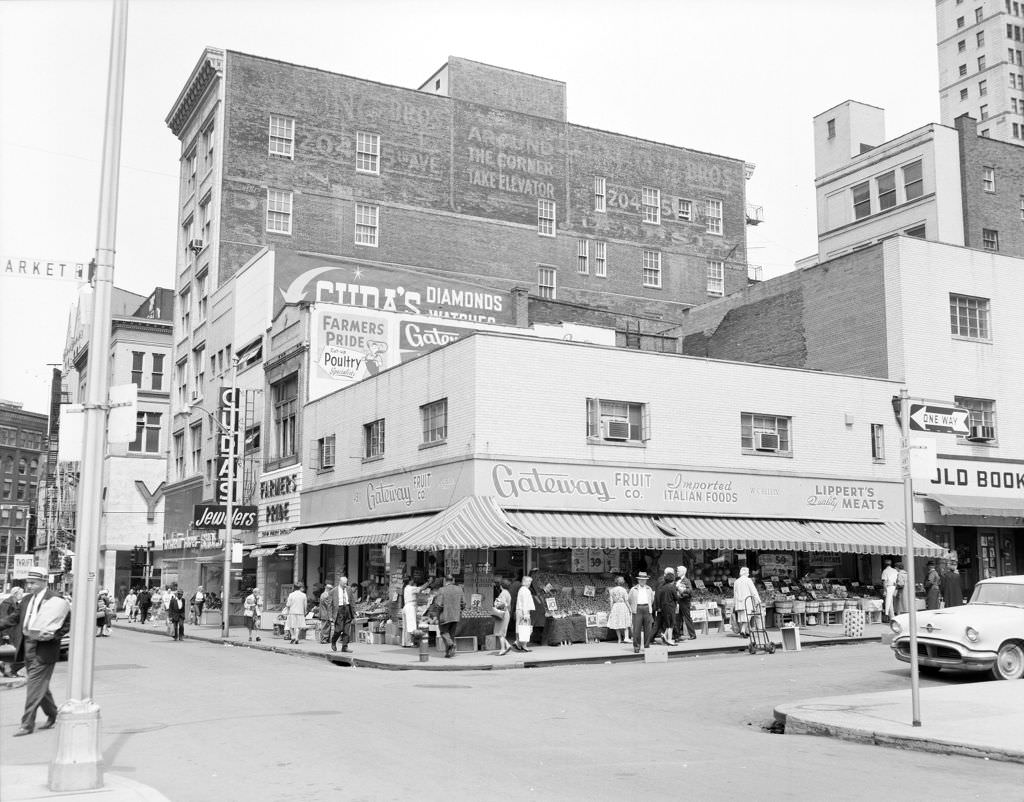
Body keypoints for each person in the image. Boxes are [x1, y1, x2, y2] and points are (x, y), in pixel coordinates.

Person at [5, 568, 71, 736]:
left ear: (43, 581)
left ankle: (27, 724)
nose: (30, 586)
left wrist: (54, 635)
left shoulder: (56, 600)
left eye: (33, 583)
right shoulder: (26, 600)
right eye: (28, 582)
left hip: (45, 650)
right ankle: (53, 715)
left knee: (34, 686)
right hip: (27, 648)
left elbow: (66, 623)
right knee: (40, 687)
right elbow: (13, 618)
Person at [434, 574, 466, 658]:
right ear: (453, 580)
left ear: (445, 581)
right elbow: (463, 603)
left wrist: (437, 614)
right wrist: (459, 610)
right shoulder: (459, 589)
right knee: (451, 635)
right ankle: (449, 653)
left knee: (444, 633)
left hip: (445, 615)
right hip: (455, 616)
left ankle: (451, 644)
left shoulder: (442, 590)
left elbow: (439, 605)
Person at [627, 572, 655, 653]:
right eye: (641, 580)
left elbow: (652, 600)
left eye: (644, 580)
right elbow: (629, 599)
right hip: (637, 608)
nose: (643, 581)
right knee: (636, 629)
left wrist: (648, 606)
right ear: (638, 580)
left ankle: (647, 646)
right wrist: (633, 607)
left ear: (646, 581)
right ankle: (636, 647)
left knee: (648, 629)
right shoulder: (633, 589)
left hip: (647, 608)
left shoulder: (649, 589)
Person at [0, 586, 25, 677]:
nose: (22, 595)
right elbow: (3, 618)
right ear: (15, 594)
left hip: (13, 633)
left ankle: (8, 670)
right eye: (21, 593)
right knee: (11, 653)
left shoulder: (15, 604)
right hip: (7, 633)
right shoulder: (6, 603)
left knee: (12, 654)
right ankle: (9, 670)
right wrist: (5, 634)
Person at [327, 578, 354, 653]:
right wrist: (330, 616)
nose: (345, 585)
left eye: (346, 583)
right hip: (339, 610)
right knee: (338, 630)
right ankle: (333, 641)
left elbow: (352, 601)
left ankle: (344, 647)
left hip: (348, 609)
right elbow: (329, 605)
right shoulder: (333, 591)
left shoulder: (349, 589)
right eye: (344, 584)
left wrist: (354, 613)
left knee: (346, 630)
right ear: (340, 582)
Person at [402, 577, 429, 647]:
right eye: (412, 580)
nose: (413, 581)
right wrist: (429, 582)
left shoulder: (406, 588)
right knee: (411, 626)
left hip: (406, 607)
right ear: (410, 581)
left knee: (405, 627)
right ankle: (410, 643)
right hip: (410, 607)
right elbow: (422, 588)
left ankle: (405, 643)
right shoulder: (411, 588)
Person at [654, 568, 678, 645]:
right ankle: (670, 639)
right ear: (672, 580)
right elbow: (676, 597)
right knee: (671, 624)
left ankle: (664, 635)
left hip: (664, 607)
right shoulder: (672, 587)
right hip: (670, 607)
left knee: (668, 623)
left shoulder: (663, 588)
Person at [732, 567, 759, 637]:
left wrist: (734, 603)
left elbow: (734, 593)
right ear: (746, 573)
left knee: (742, 617)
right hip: (747, 602)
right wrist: (757, 600)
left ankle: (747, 631)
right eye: (748, 572)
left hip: (739, 602)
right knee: (747, 616)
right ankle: (743, 630)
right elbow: (753, 591)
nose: (748, 573)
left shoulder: (736, 581)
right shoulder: (748, 580)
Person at [606, 577, 631, 644]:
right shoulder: (623, 590)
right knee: (625, 622)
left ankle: (619, 639)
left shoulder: (612, 590)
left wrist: (611, 609)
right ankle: (626, 637)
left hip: (615, 606)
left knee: (616, 623)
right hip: (622, 606)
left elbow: (611, 601)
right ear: (622, 583)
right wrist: (630, 608)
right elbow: (626, 600)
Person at [675, 565, 697, 640]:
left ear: (682, 572)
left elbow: (690, 591)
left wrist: (681, 590)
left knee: (687, 618)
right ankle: (677, 635)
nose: (677, 572)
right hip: (680, 602)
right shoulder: (678, 580)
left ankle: (692, 635)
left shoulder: (686, 580)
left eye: (678, 571)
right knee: (678, 618)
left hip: (684, 602)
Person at [514, 575, 535, 653]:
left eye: (530, 581)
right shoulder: (525, 590)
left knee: (520, 628)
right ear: (525, 582)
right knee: (525, 629)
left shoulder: (521, 589)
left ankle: (519, 644)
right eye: (529, 581)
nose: (530, 583)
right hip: (523, 611)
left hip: (520, 610)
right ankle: (523, 645)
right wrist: (526, 614)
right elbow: (525, 603)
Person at [492, 578, 512, 656]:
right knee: (502, 632)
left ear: (501, 586)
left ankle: (503, 649)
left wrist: (496, 602)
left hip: (502, 613)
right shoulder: (508, 593)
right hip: (506, 613)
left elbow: (502, 604)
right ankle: (507, 645)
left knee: (500, 633)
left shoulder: (503, 593)